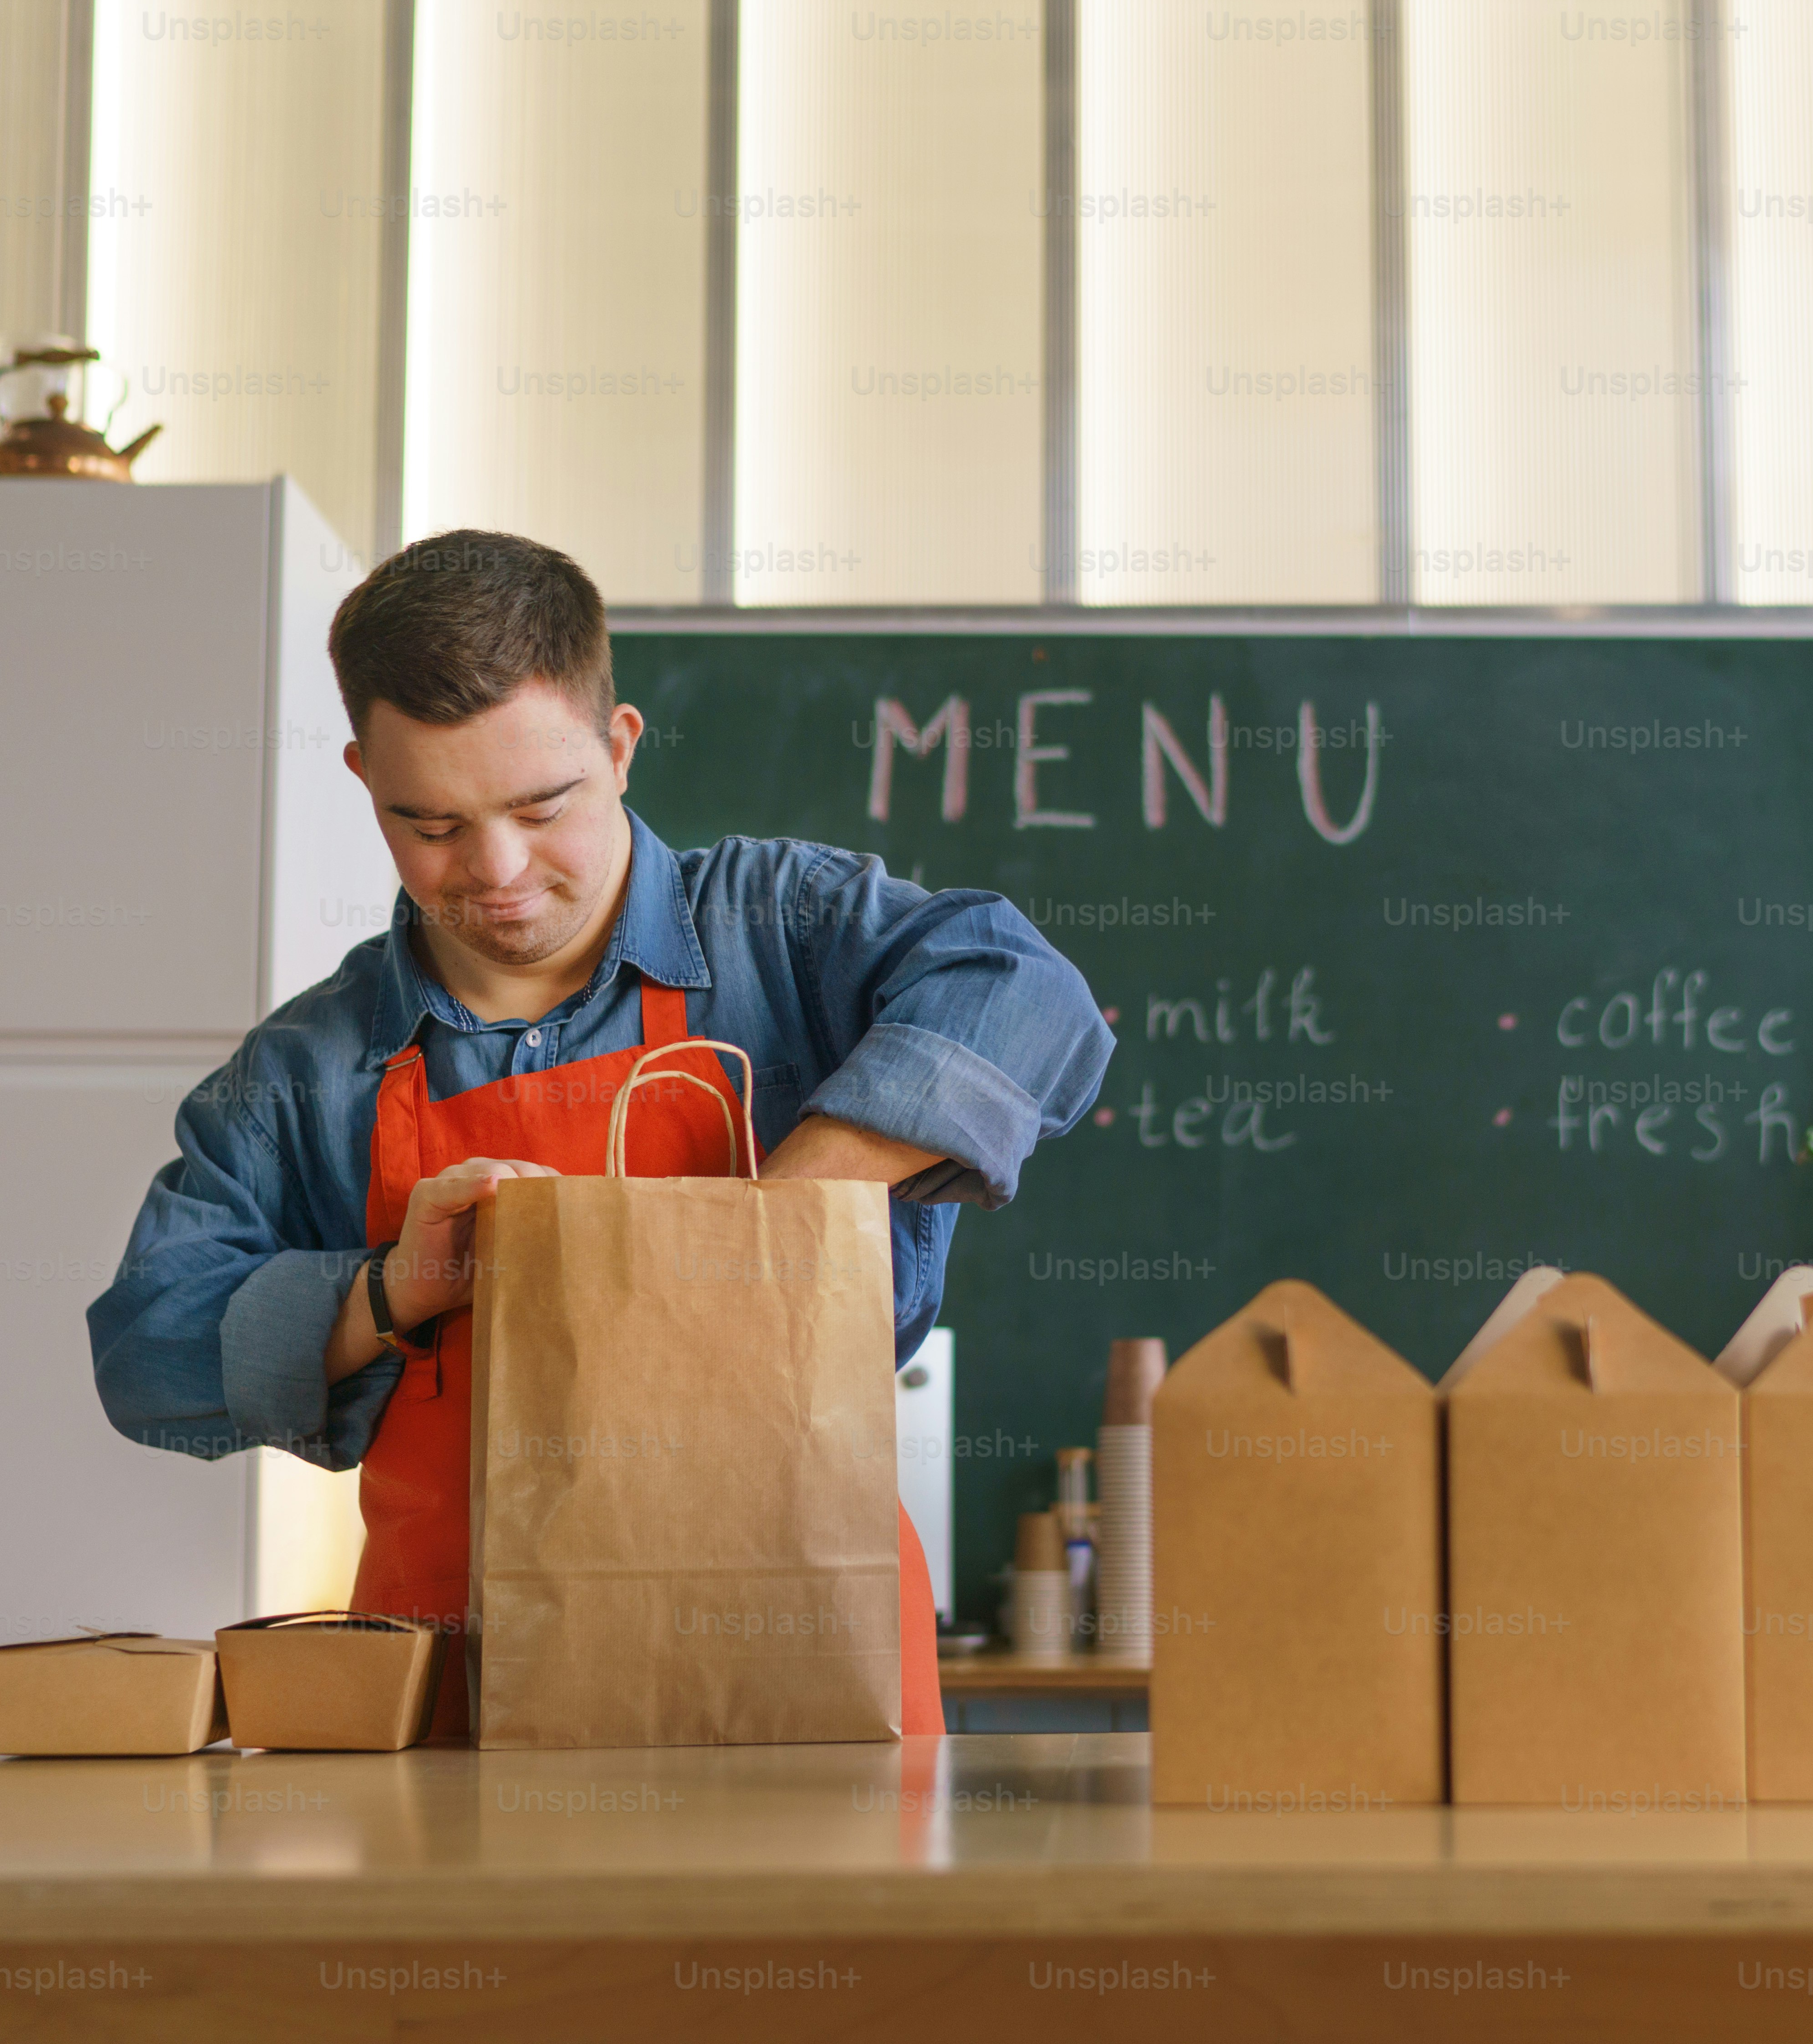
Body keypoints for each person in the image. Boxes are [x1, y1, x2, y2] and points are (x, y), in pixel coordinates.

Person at [88, 529, 1113, 1737]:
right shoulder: (307, 1068)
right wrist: (392, 1289)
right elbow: (145, 1353)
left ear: (619, 747)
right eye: (431, 825)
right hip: (462, 1706)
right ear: (364, 779)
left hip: (801, 1676)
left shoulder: (786, 929)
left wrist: (774, 1215)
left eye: (541, 807)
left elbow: (1028, 992)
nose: (497, 871)